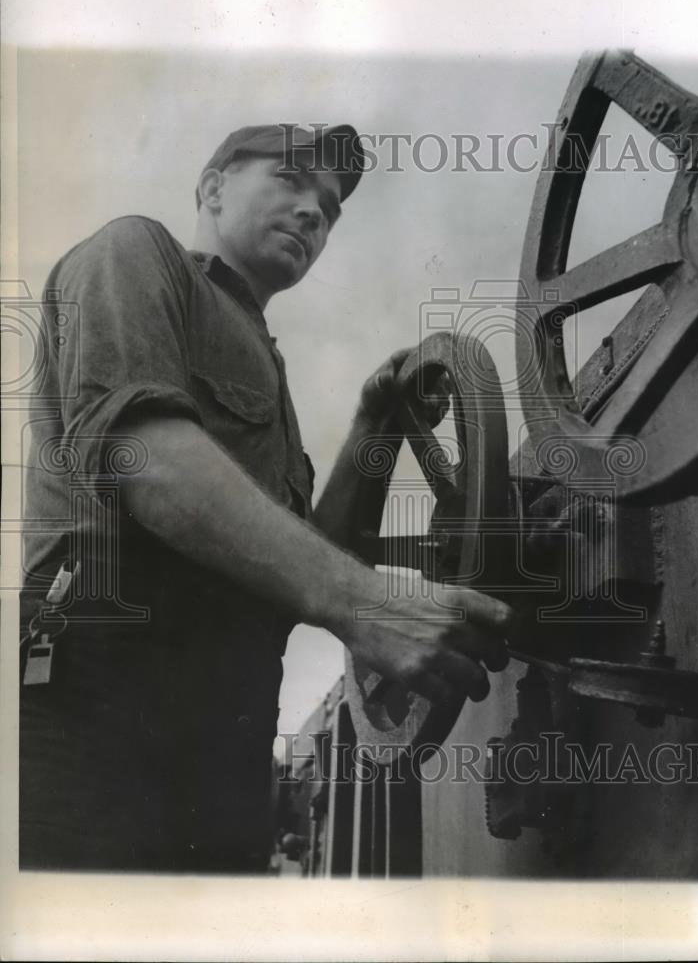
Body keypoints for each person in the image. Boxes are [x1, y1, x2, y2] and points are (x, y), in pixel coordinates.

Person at [19, 123, 513, 874]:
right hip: (96, 705)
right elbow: (145, 458)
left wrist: (373, 426)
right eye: (290, 179)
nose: (316, 213)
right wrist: (370, 605)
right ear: (214, 187)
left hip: (230, 735)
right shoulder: (132, 254)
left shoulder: (268, 364)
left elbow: (305, 567)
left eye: (330, 206)